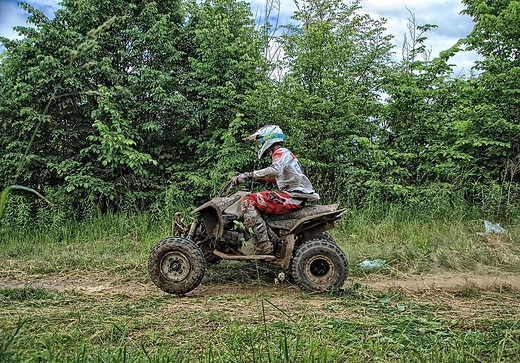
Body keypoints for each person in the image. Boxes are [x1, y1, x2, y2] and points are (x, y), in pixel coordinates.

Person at [232, 125, 319, 254]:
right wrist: (257, 180)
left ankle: (264, 245)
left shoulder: (280, 152)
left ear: (269, 139)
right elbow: (279, 176)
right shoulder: (284, 154)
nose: (260, 145)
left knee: (248, 200)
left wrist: (248, 175)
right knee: (258, 197)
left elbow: (275, 171)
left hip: (292, 197)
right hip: (293, 196)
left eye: (261, 141)